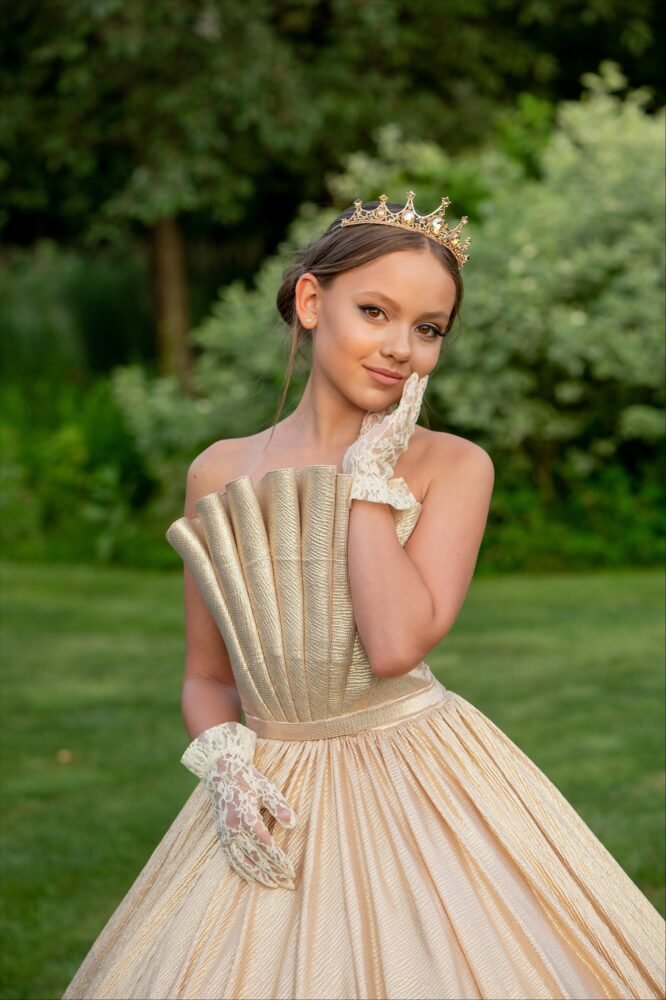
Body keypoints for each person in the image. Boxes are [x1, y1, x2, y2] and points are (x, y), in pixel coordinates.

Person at [62, 192, 665, 1000]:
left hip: (418, 774)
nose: (401, 348)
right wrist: (229, 768)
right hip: (275, 784)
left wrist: (369, 480)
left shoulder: (453, 468)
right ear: (312, 302)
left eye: (428, 329)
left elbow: (392, 646)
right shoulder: (218, 473)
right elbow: (207, 675)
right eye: (375, 311)